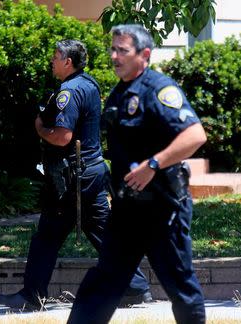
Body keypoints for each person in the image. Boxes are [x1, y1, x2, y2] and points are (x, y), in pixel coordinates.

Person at [67, 25, 207, 324]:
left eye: (122, 51)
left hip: (163, 207)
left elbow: (195, 135)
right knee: (104, 281)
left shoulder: (159, 89)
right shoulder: (120, 92)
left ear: (144, 54)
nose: (114, 56)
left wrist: (153, 165)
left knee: (180, 285)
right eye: (113, 49)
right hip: (127, 209)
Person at [0, 40, 151, 310]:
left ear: (68, 62)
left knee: (46, 237)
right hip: (93, 171)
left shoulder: (67, 91)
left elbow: (62, 137)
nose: (52, 61)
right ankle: (134, 285)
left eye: (56, 57)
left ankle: (32, 296)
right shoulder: (89, 84)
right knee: (103, 231)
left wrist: (40, 129)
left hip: (73, 178)